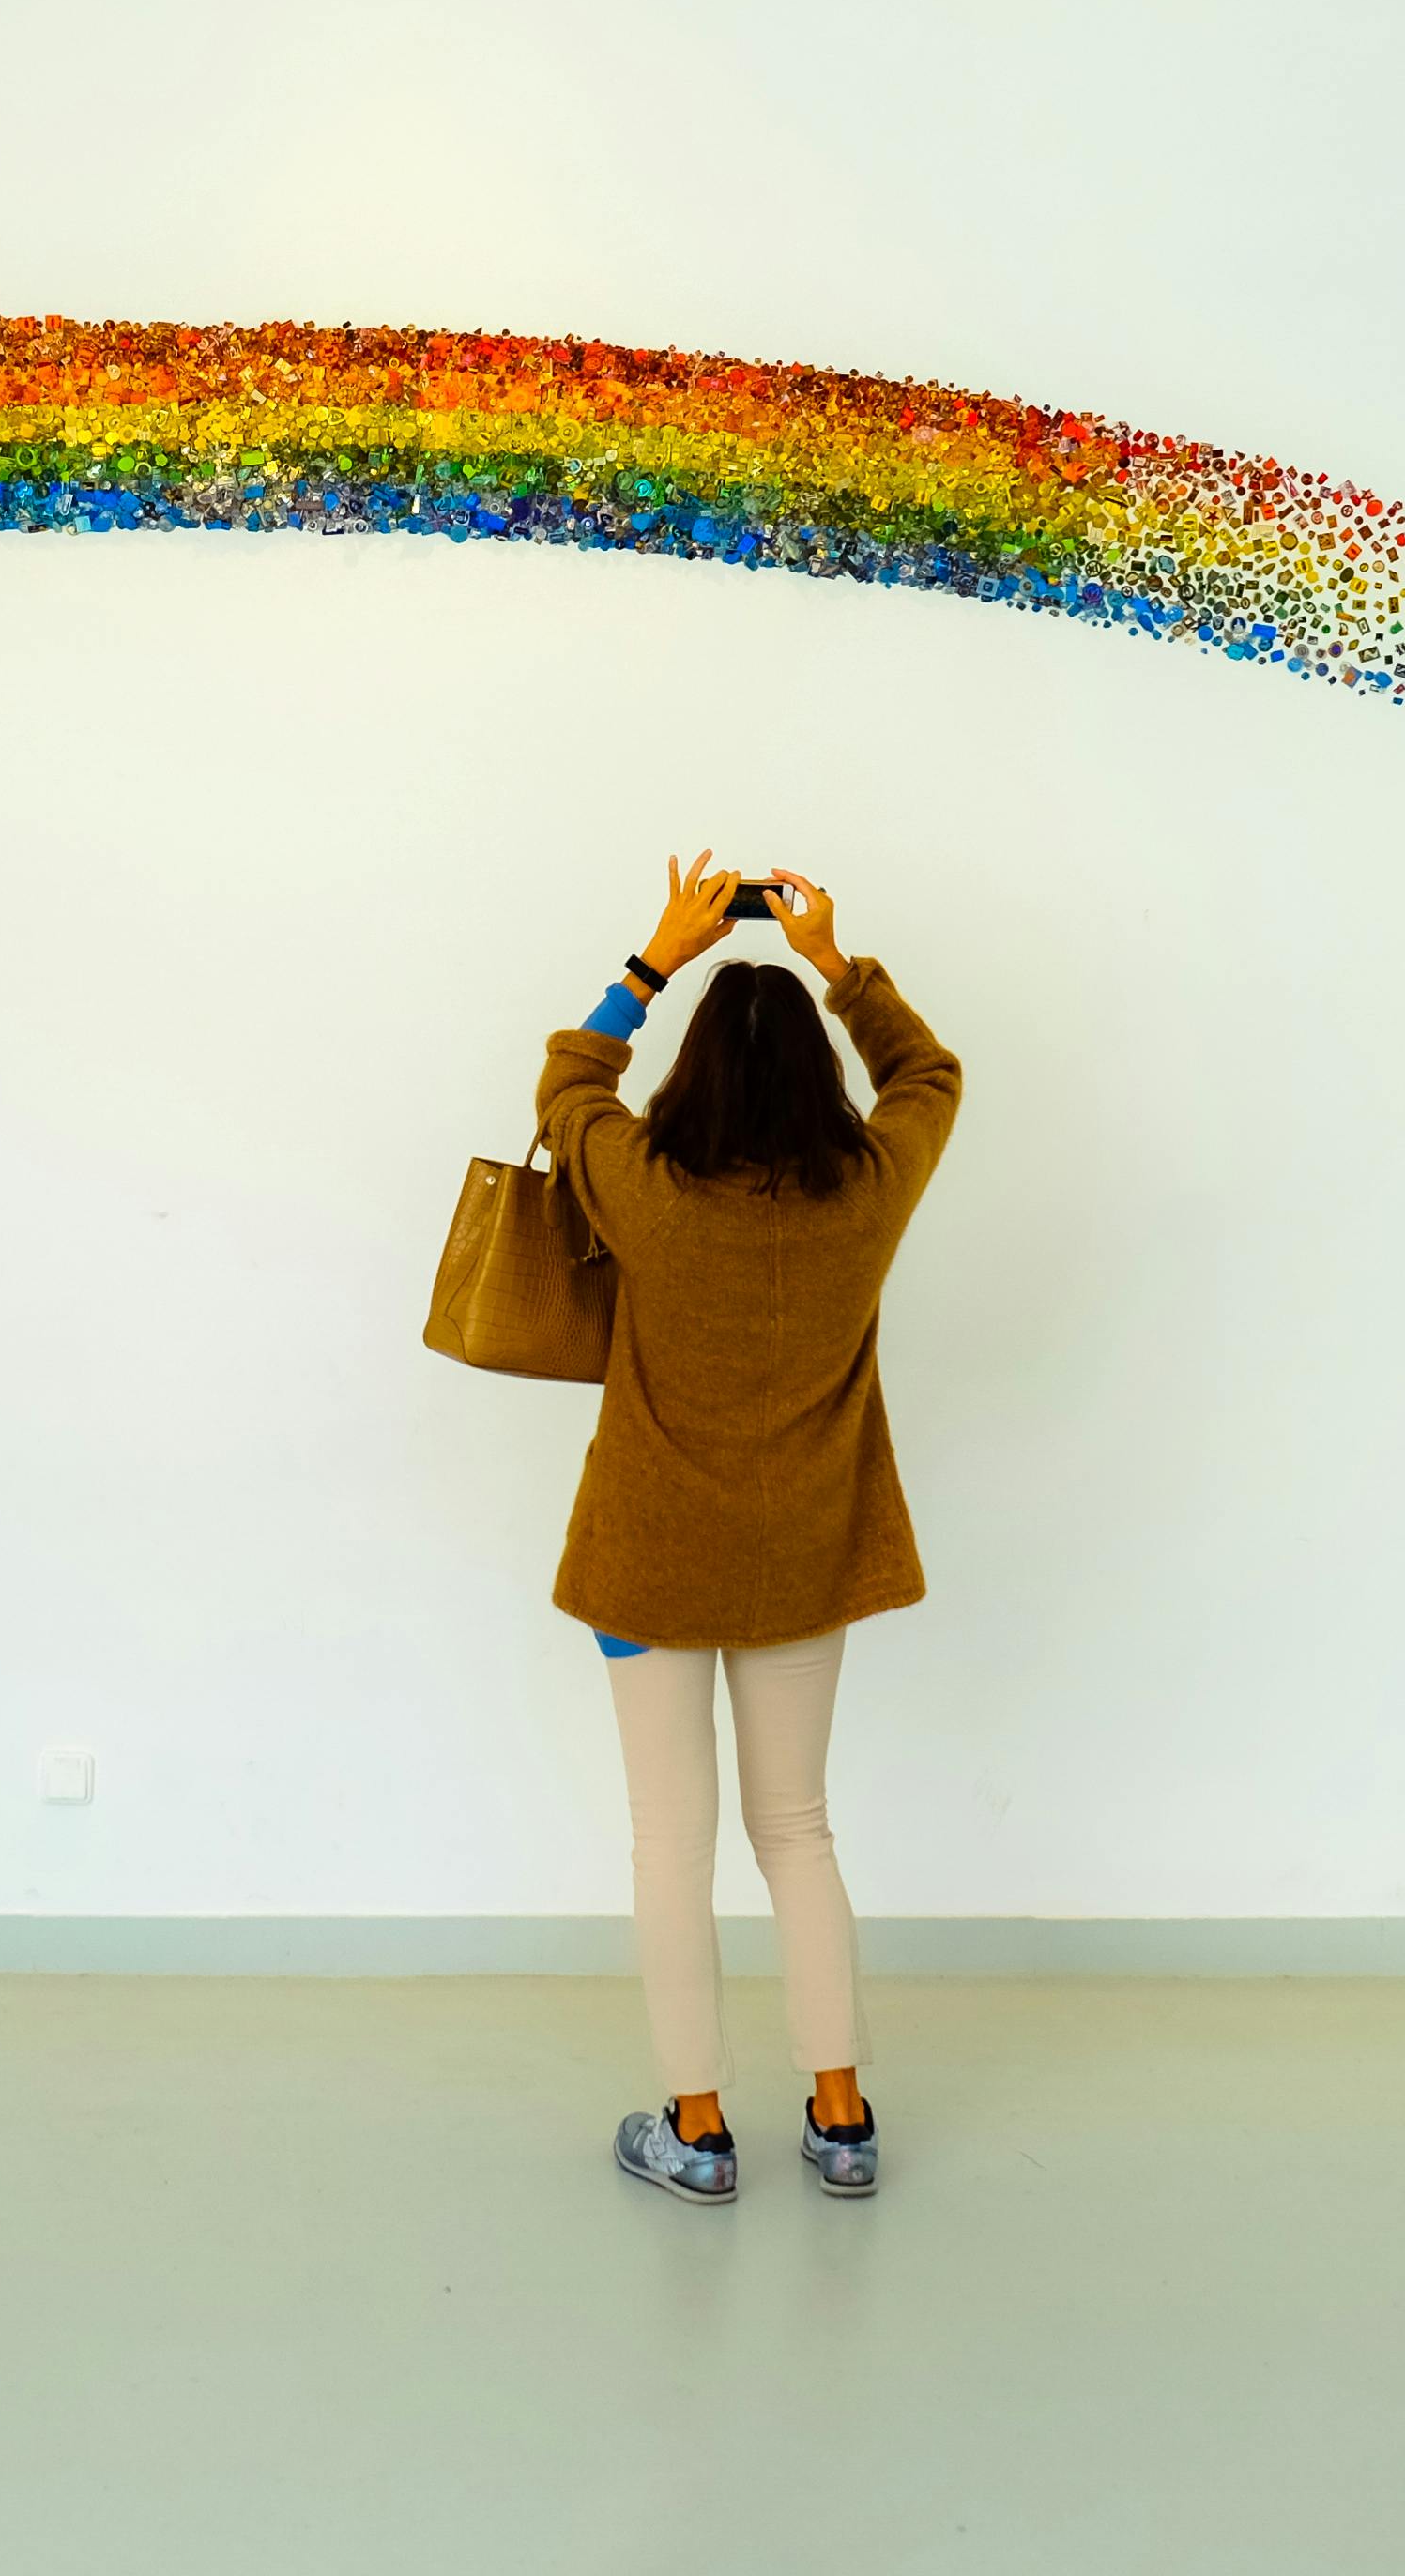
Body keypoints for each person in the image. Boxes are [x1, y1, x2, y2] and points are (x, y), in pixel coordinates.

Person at [539, 852, 965, 2205]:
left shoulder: (643, 1185)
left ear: (698, 1078)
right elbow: (930, 1078)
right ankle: (840, 2117)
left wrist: (653, 963)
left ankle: (700, 2132)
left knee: (672, 1843)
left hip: (645, 1559)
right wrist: (838, 965)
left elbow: (567, 1089)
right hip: (803, 1559)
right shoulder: (869, 1190)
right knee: (800, 1831)